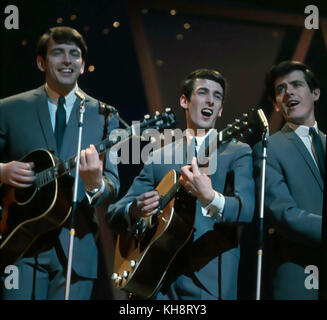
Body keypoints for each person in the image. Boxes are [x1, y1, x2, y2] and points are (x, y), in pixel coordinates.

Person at [107, 69, 255, 300]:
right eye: (203, 92)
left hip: (210, 282)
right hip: (158, 282)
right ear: (184, 101)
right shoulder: (159, 157)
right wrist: (135, 209)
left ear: (221, 109)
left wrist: (210, 197)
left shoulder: (237, 152)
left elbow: (247, 210)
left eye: (217, 96)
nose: (210, 100)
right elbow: (114, 213)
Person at [0, 26, 119, 299]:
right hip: (19, 248)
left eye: (74, 54)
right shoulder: (9, 109)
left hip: (76, 253)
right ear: (41, 62)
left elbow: (113, 183)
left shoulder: (104, 115)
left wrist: (95, 185)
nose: (67, 60)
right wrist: (2, 171)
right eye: (58, 53)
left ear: (83, 64)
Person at [253, 60, 326, 299]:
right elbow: (283, 213)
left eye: (296, 85)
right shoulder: (268, 148)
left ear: (315, 93)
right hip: (300, 273)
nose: (289, 93)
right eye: (281, 89)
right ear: (275, 104)